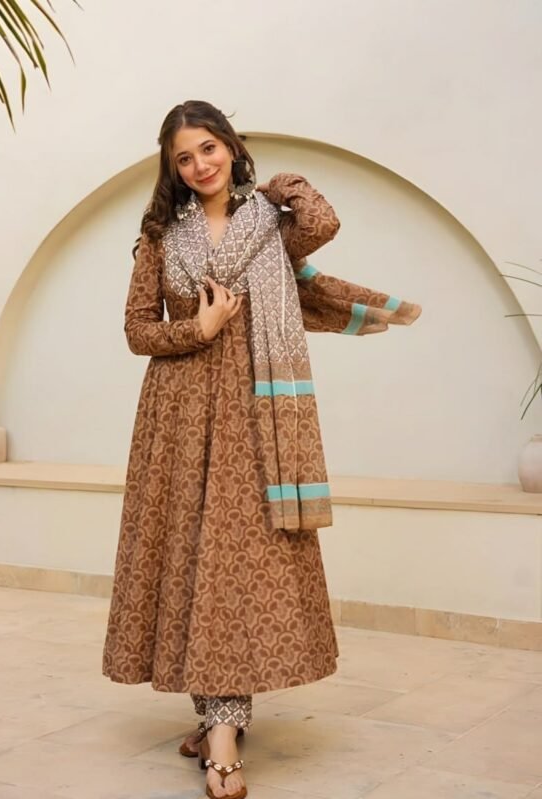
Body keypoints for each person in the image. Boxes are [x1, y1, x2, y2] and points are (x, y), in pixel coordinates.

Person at [102, 100, 421, 799]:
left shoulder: (272, 224)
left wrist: (280, 184)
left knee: (235, 564)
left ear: (230, 146)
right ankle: (219, 720)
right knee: (190, 557)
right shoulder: (160, 236)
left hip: (256, 414)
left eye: (209, 148)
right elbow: (136, 329)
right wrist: (199, 327)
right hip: (179, 415)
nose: (199, 165)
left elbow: (323, 222)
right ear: (172, 169)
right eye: (184, 158)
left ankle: (222, 727)